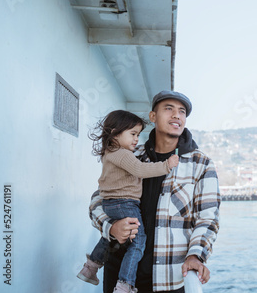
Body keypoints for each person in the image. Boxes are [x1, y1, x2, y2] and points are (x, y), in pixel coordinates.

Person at [89, 90, 221, 293]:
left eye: (182, 111)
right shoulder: (131, 155)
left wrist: (196, 255)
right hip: (120, 277)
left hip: (169, 278)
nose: (176, 115)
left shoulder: (201, 164)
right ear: (153, 117)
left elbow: (208, 218)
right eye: (169, 109)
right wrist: (111, 227)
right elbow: (99, 199)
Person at [77, 110, 180, 293]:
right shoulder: (123, 154)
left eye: (138, 135)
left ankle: (90, 268)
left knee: (110, 237)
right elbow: (140, 170)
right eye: (133, 134)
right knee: (138, 242)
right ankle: (125, 285)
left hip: (111, 204)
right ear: (115, 133)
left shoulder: (110, 153)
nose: (136, 139)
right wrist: (166, 165)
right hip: (124, 203)